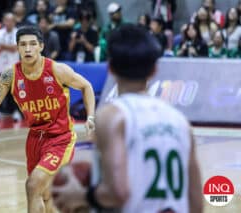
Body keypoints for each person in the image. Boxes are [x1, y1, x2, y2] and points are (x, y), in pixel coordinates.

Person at [52, 24, 203, 213]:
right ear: (154, 70)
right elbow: (196, 203)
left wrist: (83, 196)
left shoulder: (113, 116)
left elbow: (118, 192)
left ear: (110, 68)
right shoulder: (181, 122)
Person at [0, 25, 96, 213]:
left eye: (32, 44)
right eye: (23, 45)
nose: (28, 49)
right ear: (17, 48)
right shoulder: (10, 75)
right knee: (44, 195)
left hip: (60, 138)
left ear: (41, 46)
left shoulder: (57, 70)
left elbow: (86, 86)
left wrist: (90, 117)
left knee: (33, 185)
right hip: (34, 139)